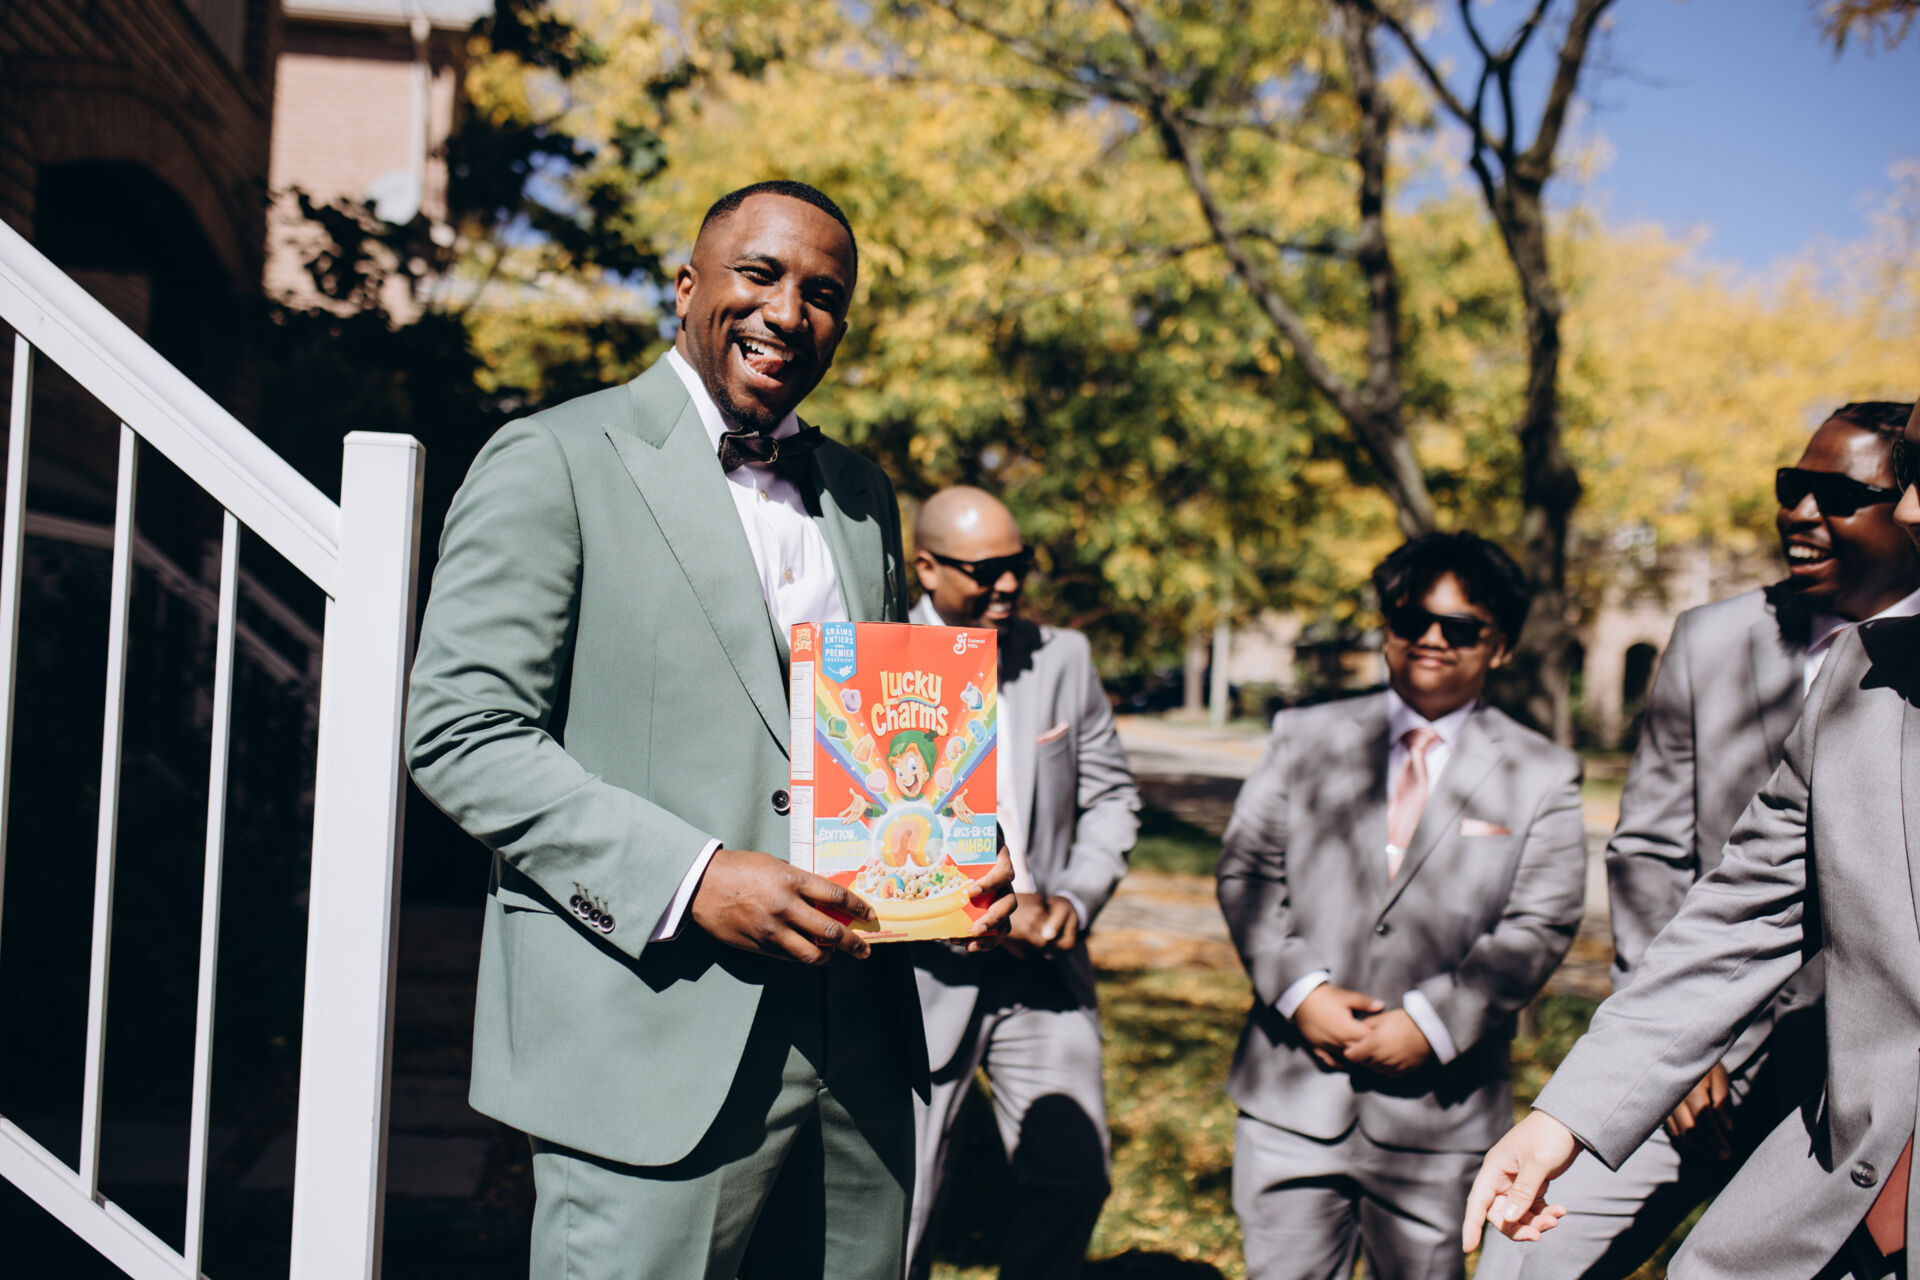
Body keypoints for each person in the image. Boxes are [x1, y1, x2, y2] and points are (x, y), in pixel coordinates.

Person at [405, 181, 1014, 1280]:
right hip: (649, 1032)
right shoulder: (553, 457)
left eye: (823, 294)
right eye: (760, 274)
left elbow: (873, 744)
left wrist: (947, 869)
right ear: (686, 287)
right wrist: (693, 877)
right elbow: (462, 729)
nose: (789, 311)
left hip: (859, 1056)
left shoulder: (863, 495)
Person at [1465, 400, 1920, 1280]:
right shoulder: (1848, 673)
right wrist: (1571, 1113)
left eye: (1839, 494)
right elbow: (1730, 896)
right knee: (1529, 1262)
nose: (1910, 508)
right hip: (1720, 1058)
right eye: (1792, 487)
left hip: (1841, 1074)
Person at [1217, 531, 1588, 1280]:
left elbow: (1540, 922)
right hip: (1292, 1099)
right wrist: (1301, 992)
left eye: (1461, 628)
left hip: (1441, 1119)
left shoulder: (1543, 772)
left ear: (1501, 647)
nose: (1431, 639)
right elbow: (1248, 873)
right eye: (1411, 619)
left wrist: (1431, 1023)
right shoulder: (1302, 736)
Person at [903, 485, 1140, 1280]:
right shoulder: (876, 657)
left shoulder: (1062, 656)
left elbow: (1112, 795)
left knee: (1075, 1177)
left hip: (1042, 970)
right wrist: (957, 911)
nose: (1008, 584)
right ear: (926, 567)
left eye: (1020, 564)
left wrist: (1074, 898)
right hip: (922, 977)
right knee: (906, 1204)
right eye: (985, 570)